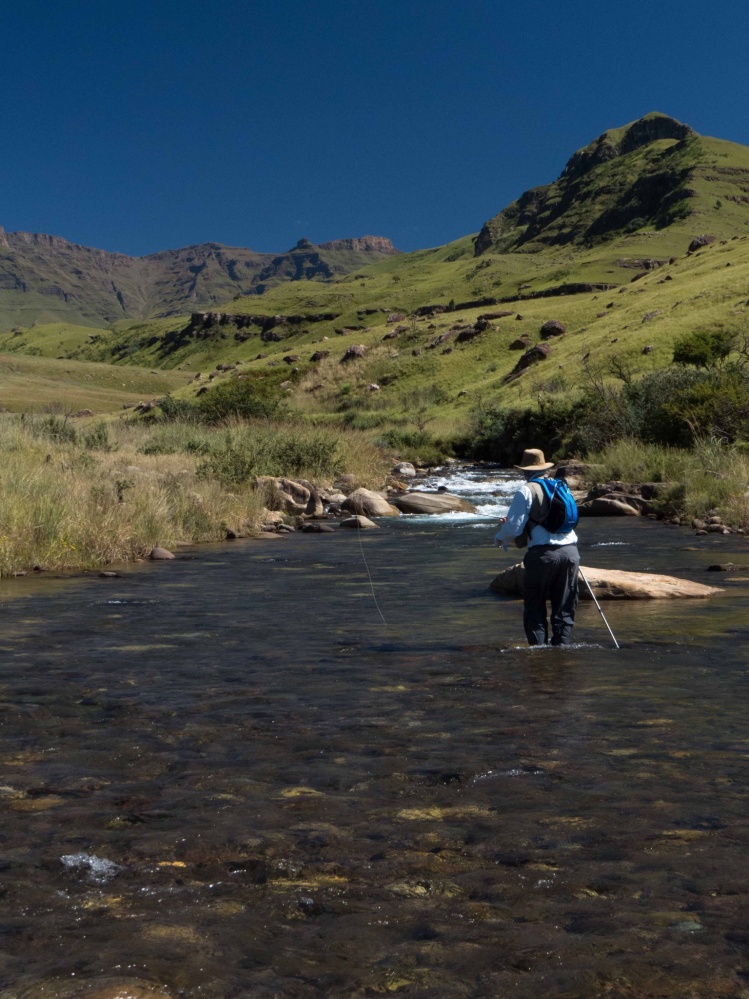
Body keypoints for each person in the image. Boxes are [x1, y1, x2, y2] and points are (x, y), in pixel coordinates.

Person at [495, 448, 579, 646]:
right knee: (565, 605)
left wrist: (500, 538)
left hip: (542, 555)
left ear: (525, 471)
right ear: (544, 468)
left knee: (535, 606)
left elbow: (514, 528)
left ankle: (539, 654)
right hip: (571, 552)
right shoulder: (562, 486)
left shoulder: (526, 490)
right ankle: (562, 648)